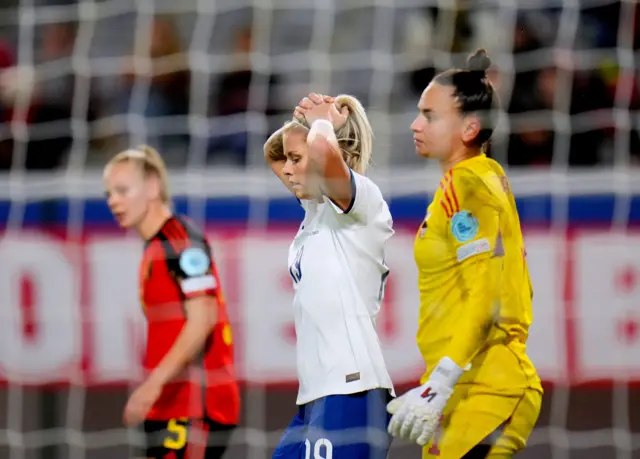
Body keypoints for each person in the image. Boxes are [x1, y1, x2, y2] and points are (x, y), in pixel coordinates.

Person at [386, 49, 543, 458]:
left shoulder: (466, 186)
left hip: (485, 388)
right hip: (469, 385)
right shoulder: (483, 175)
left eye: (431, 115)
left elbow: (486, 297)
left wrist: (439, 381)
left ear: (470, 127)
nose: (415, 124)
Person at [264, 93, 395, 459]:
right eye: (288, 160)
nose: (286, 170)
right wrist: (303, 122)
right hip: (316, 398)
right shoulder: (316, 211)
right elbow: (271, 153)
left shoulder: (362, 203)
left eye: (297, 159)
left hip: (352, 390)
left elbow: (323, 157)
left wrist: (322, 124)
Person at [103, 145, 239, 459]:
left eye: (122, 190)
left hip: (196, 402)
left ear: (153, 187)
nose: (113, 201)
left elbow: (203, 317)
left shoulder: (179, 240)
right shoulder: (154, 246)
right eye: (109, 193)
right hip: (168, 401)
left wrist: (153, 384)